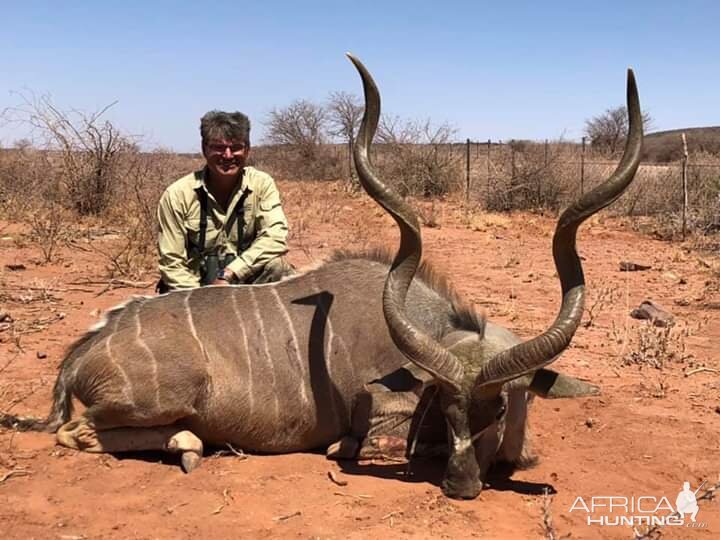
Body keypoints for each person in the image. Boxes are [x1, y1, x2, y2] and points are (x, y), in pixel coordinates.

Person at [156, 111, 292, 292]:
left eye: (236, 147)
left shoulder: (261, 183)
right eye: (218, 147)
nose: (227, 155)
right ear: (204, 149)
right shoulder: (177, 194)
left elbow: (275, 237)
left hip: (243, 281)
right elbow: (171, 263)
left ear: (247, 149)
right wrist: (206, 301)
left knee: (277, 267)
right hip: (194, 290)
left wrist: (229, 273)